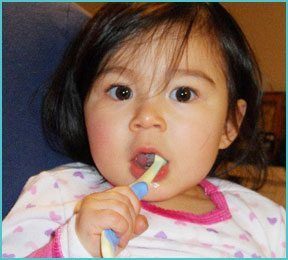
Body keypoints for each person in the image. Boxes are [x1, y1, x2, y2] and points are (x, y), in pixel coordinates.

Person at [2, 3, 285, 258]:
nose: (147, 117)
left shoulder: (265, 222)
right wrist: (73, 246)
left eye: (183, 94)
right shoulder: (59, 195)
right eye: (121, 92)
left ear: (229, 124)